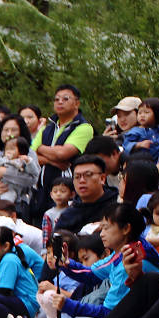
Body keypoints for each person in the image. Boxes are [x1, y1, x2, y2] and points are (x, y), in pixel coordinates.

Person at [33, 85, 93, 219]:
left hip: (68, 192)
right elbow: (31, 156)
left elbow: (63, 154)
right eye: (56, 99)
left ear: (77, 103)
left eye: (65, 99)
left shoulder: (83, 127)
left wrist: (41, 148)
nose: (60, 102)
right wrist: (50, 160)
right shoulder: (48, 128)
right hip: (43, 191)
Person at [54, 155, 117, 234]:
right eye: (77, 177)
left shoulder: (117, 205)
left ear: (102, 178)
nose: (82, 181)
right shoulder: (67, 216)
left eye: (88, 175)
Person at [0, 134, 39, 203]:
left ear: (21, 150)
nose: (8, 151)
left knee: (8, 198)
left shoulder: (23, 161)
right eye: (6, 149)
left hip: (12, 187)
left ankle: (5, 208)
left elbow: (34, 173)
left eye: (12, 149)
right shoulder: (4, 159)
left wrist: (28, 162)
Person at [120, 98, 159, 164]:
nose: (142, 115)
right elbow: (126, 145)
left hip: (158, 164)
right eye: (139, 113)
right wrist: (138, 145)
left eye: (146, 112)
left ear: (157, 114)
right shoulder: (135, 131)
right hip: (141, 164)